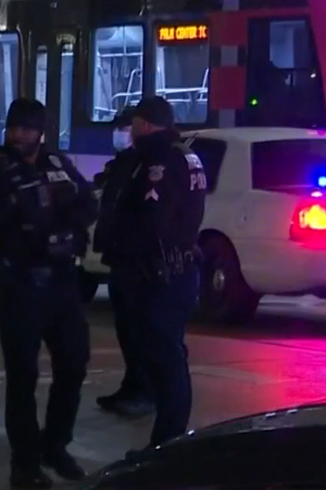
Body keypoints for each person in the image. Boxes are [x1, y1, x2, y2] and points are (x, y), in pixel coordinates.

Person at [0, 98, 97, 489]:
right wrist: (13, 210)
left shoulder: (57, 164)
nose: (18, 135)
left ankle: (55, 445)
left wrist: (62, 226)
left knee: (73, 363)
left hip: (60, 279)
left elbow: (86, 202)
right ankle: (24, 463)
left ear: (41, 131)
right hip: (17, 282)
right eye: (13, 128)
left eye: (26, 128)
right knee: (23, 374)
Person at [116, 96, 206, 455]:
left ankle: (167, 443)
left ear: (148, 125)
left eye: (135, 124)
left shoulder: (160, 161)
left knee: (166, 357)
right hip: (178, 268)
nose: (131, 132)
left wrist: (131, 250)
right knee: (169, 354)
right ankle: (166, 438)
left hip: (163, 272)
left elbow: (152, 220)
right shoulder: (187, 155)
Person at [92, 106, 154, 418]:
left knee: (138, 330)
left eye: (126, 127)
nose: (120, 133)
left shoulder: (142, 164)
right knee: (126, 329)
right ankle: (131, 386)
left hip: (135, 260)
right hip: (119, 257)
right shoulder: (123, 163)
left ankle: (143, 391)